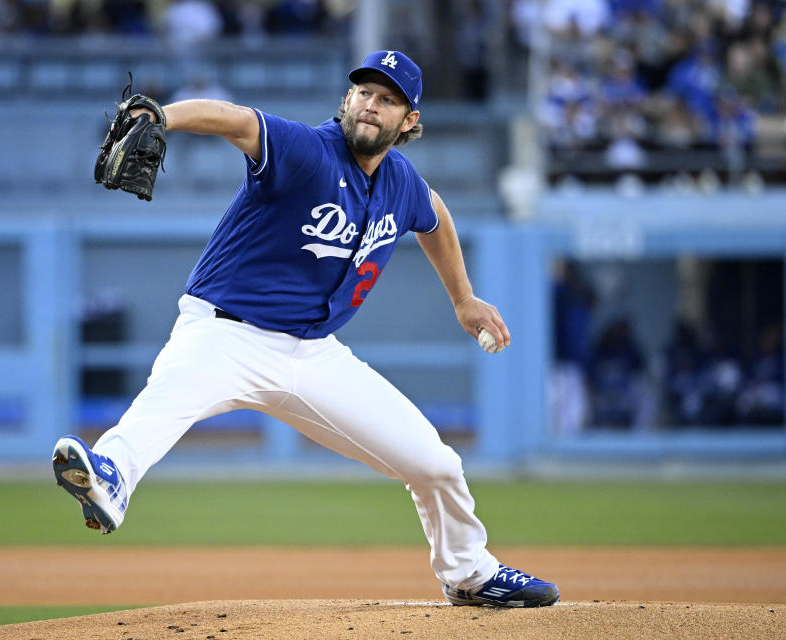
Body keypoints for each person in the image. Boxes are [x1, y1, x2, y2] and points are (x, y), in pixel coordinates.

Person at [53, 50, 560, 608]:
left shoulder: (400, 182)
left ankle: (468, 573)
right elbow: (237, 120)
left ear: (409, 121)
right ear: (346, 99)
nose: (371, 104)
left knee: (436, 463)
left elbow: (434, 215)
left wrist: (463, 299)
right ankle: (110, 476)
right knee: (164, 402)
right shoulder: (306, 151)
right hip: (225, 335)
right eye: (364, 92)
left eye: (388, 99)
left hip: (315, 355)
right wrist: (162, 116)